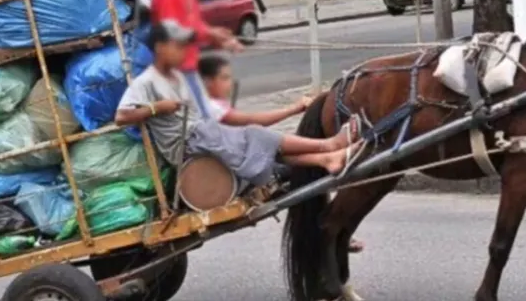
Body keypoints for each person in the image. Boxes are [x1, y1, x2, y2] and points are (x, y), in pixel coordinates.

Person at [116, 21, 362, 186]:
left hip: (203, 134)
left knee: (259, 145)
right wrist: (157, 108)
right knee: (255, 135)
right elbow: (121, 117)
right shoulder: (146, 82)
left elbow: (227, 116)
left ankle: (326, 159)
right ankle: (328, 146)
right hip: (187, 143)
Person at [198, 53, 366, 254]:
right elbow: (252, 120)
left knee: (291, 161)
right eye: (224, 78)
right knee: (261, 138)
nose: (230, 83)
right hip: (225, 170)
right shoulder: (207, 107)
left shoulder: (209, 104)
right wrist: (295, 108)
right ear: (208, 82)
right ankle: (330, 148)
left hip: (234, 160)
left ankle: (331, 219)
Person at [151, 0, 243, 120]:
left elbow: (194, 24)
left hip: (189, 64)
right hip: (178, 68)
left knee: (204, 119)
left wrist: (218, 38)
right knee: (201, 123)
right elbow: (170, 30)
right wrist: (210, 34)